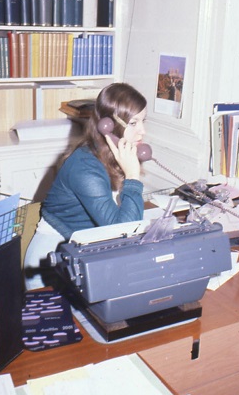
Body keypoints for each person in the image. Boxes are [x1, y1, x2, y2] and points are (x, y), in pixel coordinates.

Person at [24, 82, 148, 290]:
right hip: (52, 268)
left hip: (84, 254)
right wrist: (133, 176)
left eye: (143, 122)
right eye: (134, 123)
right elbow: (122, 231)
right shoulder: (85, 168)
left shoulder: (114, 154)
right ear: (108, 125)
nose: (142, 132)